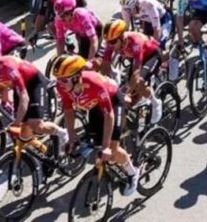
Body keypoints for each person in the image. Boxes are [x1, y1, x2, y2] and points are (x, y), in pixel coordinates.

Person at [51, 55, 141, 197]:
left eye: (63, 80)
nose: (59, 84)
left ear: (75, 78)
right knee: (96, 144)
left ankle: (133, 172)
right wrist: (72, 135)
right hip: (94, 105)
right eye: (58, 80)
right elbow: (68, 110)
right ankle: (113, 161)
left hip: (113, 102)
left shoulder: (94, 84)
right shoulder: (63, 87)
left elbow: (109, 115)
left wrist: (106, 147)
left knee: (112, 148)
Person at [0, 43, 66, 142]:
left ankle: (63, 134)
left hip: (34, 82)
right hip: (17, 86)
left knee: (36, 125)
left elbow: (24, 97)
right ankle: (35, 147)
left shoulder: (8, 67)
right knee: (23, 135)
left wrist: (16, 124)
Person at [99, 20, 164, 125]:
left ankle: (155, 102)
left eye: (113, 42)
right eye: (108, 42)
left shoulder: (135, 41)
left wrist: (126, 93)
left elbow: (136, 72)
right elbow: (105, 66)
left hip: (152, 55)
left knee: (137, 83)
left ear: (121, 37)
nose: (110, 45)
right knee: (131, 98)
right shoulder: (112, 42)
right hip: (136, 59)